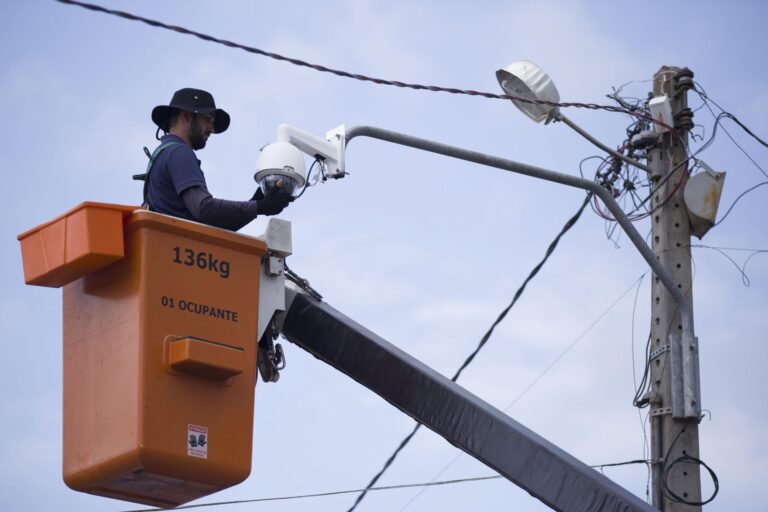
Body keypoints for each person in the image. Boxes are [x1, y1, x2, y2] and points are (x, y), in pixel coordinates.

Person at [142, 88, 292, 231]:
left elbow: (213, 228)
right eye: (207, 119)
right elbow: (203, 208)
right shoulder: (179, 152)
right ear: (186, 115)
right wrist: (260, 206)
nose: (212, 129)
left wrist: (255, 204)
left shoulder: (164, 155)